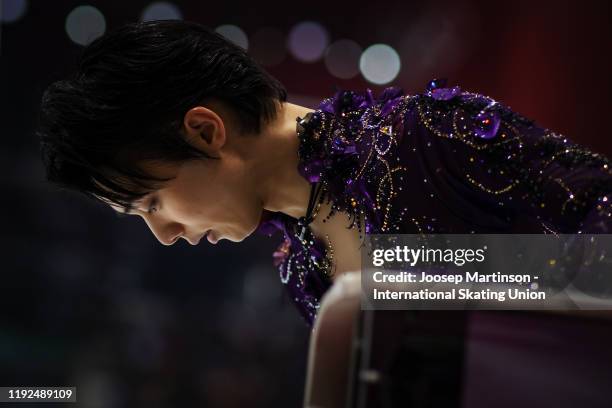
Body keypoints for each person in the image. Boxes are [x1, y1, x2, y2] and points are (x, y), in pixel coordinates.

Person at [37, 20, 612, 327]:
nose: (163, 234)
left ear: (206, 130)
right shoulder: (301, 266)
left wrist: (414, 267)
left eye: (151, 202)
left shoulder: (432, 134)